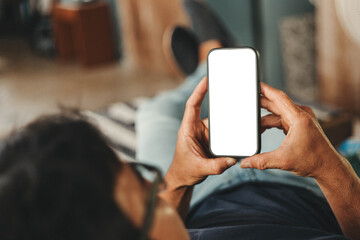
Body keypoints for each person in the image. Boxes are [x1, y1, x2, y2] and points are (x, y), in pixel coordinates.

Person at [0, 1, 359, 240]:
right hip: (290, 188)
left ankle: (207, 61)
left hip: (200, 186)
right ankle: (211, 56)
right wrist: (328, 167)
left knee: (154, 113)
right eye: (148, 197)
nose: (160, 189)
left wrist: (178, 179)